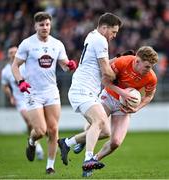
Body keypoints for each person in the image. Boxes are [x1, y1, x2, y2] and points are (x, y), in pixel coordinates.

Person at [64, 46, 158, 177]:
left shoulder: (151, 77)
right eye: (147, 66)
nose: (149, 70)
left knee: (116, 142)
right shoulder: (123, 62)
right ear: (137, 61)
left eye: (151, 67)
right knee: (97, 123)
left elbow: (149, 96)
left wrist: (137, 107)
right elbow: (104, 80)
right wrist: (122, 92)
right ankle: (83, 140)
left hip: (124, 107)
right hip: (108, 97)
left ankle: (94, 160)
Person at [57, 12, 122, 176]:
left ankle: (67, 142)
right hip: (83, 89)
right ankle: (88, 159)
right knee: (99, 121)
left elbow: (102, 64)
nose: (114, 36)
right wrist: (118, 76)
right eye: (113, 32)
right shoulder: (101, 40)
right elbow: (106, 71)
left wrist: (119, 59)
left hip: (87, 90)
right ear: (104, 27)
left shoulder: (92, 35)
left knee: (105, 131)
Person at [11, 12, 77, 174]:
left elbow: (63, 65)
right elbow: (15, 66)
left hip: (51, 91)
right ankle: (32, 141)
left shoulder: (57, 44)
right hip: (33, 92)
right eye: (41, 25)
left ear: (50, 25)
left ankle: (50, 166)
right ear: (35, 26)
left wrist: (69, 65)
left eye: (47, 24)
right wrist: (21, 81)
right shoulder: (27, 44)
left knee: (53, 130)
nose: (44, 27)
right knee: (40, 130)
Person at [1, 46, 44, 160]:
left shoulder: (25, 66)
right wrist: (11, 96)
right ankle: (37, 145)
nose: (13, 54)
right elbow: (5, 86)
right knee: (30, 122)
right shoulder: (6, 70)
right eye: (11, 52)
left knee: (39, 124)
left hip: (31, 97)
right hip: (20, 100)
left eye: (15, 52)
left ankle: (34, 142)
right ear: (8, 55)